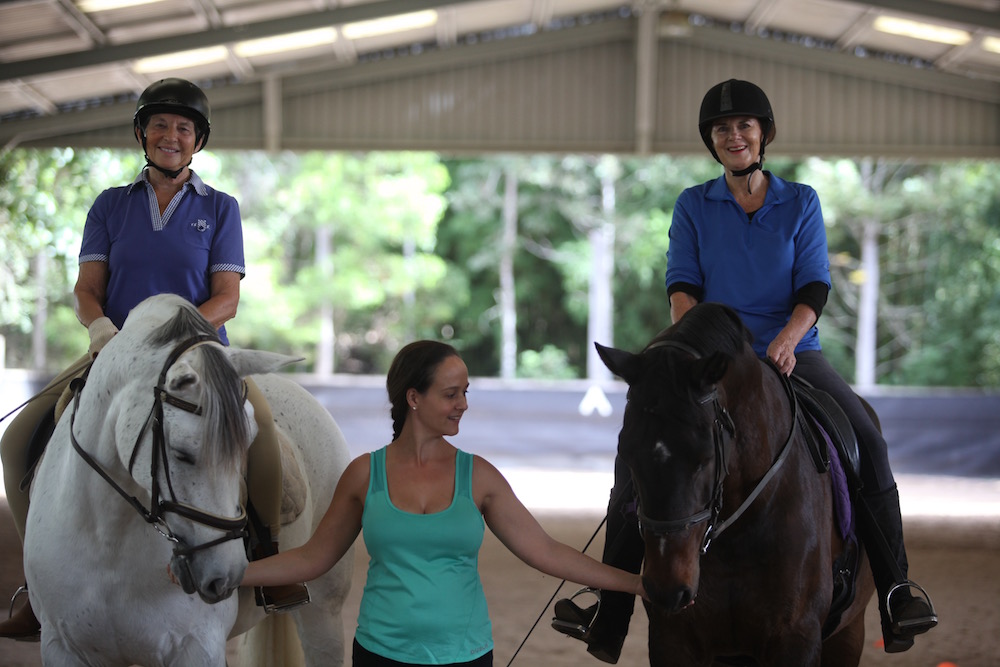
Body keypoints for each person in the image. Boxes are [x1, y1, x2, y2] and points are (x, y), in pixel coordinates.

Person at [551, 78, 937, 662]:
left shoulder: (800, 201)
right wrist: (689, 347)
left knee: (866, 438)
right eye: (722, 129)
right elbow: (682, 287)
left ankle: (896, 590)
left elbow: (814, 284)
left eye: (744, 126)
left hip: (794, 355)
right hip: (710, 360)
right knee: (641, 461)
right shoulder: (693, 203)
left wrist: (784, 342)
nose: (734, 136)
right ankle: (611, 612)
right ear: (712, 141)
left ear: (764, 135)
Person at [0, 77, 305, 641]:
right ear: (142, 134)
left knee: (260, 434)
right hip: (115, 351)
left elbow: (227, 298)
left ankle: (266, 564)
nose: (170, 135)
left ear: (197, 141)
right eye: (160, 125)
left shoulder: (220, 208)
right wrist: (101, 329)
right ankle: (35, 586)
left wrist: (179, 339)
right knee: (18, 439)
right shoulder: (110, 206)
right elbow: (88, 287)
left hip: (200, 354)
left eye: (182, 128)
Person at [236, 340, 647, 666]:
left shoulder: (480, 476)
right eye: (451, 394)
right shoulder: (364, 473)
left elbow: (545, 551)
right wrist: (234, 574)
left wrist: (637, 584)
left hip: (465, 657)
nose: (463, 404)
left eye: (464, 392)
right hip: (379, 654)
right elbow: (313, 558)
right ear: (414, 398)